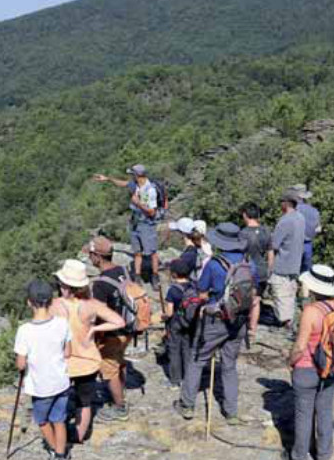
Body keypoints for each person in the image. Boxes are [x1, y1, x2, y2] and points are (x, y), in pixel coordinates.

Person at [176, 222, 260, 423]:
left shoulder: (214, 264)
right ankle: (231, 412)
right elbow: (254, 293)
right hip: (239, 321)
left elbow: (203, 294)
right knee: (229, 365)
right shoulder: (250, 264)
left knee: (197, 360)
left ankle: (187, 405)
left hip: (216, 320)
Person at [52, 255, 125, 443]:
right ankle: (79, 436)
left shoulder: (55, 306)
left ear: (64, 284)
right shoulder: (92, 305)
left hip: (63, 361)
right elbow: (119, 321)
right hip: (88, 361)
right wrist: (94, 328)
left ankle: (58, 435)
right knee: (84, 403)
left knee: (59, 399)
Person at [288, 265, 334, 460]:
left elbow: (300, 346)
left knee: (304, 413)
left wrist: (290, 362)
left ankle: (300, 456)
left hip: (307, 368)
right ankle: (323, 455)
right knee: (324, 410)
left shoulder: (310, 312)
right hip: (331, 369)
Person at [14, 279, 72, 460]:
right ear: (51, 300)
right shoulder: (62, 324)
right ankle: (62, 454)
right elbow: (68, 352)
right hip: (62, 382)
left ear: (29, 302)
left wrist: (22, 366)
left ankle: (56, 453)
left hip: (41, 387)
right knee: (59, 420)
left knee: (43, 420)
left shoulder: (25, 331)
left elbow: (21, 363)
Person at [93, 163, 162, 288]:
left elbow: (152, 211)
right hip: (135, 222)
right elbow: (123, 183)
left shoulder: (150, 190)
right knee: (137, 252)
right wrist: (108, 179)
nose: (131, 176)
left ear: (138, 175)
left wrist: (138, 203)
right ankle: (137, 276)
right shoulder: (135, 184)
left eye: (132, 174)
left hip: (146, 224)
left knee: (152, 252)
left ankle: (155, 276)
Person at [88, 235, 132, 422]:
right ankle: (120, 392)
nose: (90, 258)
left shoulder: (100, 284)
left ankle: (119, 407)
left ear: (98, 256)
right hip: (129, 327)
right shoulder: (123, 270)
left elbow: (99, 313)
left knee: (109, 368)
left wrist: (96, 335)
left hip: (113, 333)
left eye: (91, 255)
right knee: (119, 361)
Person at [267, 191, 306, 330]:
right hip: (295, 264)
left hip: (282, 264)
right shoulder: (301, 218)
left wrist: (269, 266)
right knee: (289, 295)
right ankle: (290, 323)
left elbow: (274, 245)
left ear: (286, 203)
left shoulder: (285, 221)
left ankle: (285, 325)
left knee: (281, 296)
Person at [164, 258, 196, 389]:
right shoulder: (194, 286)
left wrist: (163, 316)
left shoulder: (173, 290)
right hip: (190, 322)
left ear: (174, 274)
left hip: (176, 324)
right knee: (187, 350)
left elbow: (169, 313)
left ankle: (175, 380)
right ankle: (188, 379)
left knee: (174, 351)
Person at [240, 203, 271, 299]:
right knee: (258, 300)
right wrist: (269, 271)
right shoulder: (266, 231)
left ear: (245, 215)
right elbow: (271, 253)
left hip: (248, 273)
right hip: (262, 272)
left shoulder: (243, 233)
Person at [290, 185, 322, 274]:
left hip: (294, 244)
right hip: (308, 245)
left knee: (292, 272)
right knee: (306, 274)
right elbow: (318, 229)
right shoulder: (315, 211)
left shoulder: (293, 210)